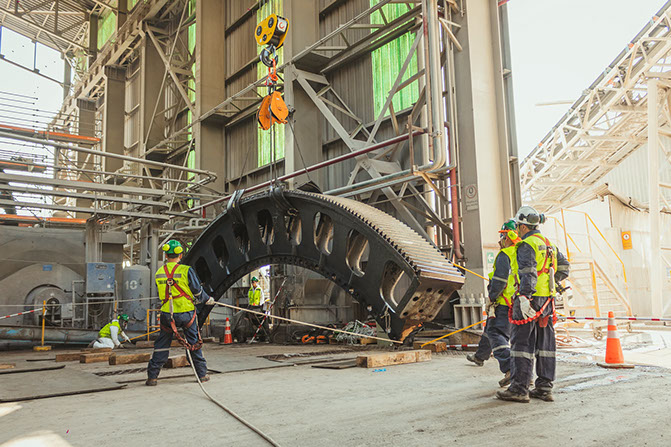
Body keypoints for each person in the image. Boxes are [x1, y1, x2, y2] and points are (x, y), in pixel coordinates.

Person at [497, 206, 570, 403]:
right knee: (545, 344)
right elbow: (564, 267)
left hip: (529, 301)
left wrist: (524, 296)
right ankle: (545, 388)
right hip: (547, 302)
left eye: (518, 226)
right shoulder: (549, 245)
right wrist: (551, 282)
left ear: (523, 226)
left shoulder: (526, 244)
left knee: (521, 344)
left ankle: (519, 389)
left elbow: (528, 273)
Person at [146, 239, 215, 386]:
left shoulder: (159, 272)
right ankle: (202, 374)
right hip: (186, 313)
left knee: (162, 344)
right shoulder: (185, 270)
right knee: (193, 343)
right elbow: (197, 291)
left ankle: (152, 377)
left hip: (167, 314)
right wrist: (207, 299)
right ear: (181, 255)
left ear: (166, 255)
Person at [466, 220, 520, 388]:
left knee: (497, 334)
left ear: (509, 236)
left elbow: (500, 281)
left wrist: (492, 297)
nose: (500, 240)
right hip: (520, 303)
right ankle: (480, 356)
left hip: (504, 302)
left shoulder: (505, 254)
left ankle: (510, 369)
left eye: (502, 236)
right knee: (491, 328)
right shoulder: (523, 252)